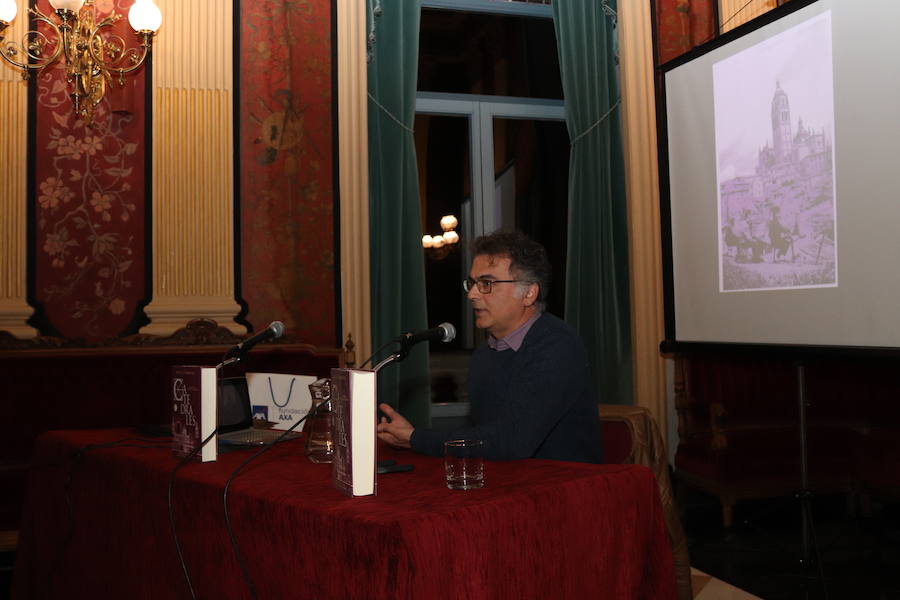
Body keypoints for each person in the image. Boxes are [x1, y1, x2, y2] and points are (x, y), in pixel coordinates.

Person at [377, 230, 603, 464]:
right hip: (507, 485)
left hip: (565, 489)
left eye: (487, 283)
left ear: (528, 293)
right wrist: (415, 437)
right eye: (472, 283)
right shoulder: (484, 354)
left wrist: (416, 438)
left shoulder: (558, 346)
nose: (472, 294)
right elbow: (485, 439)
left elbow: (512, 441)